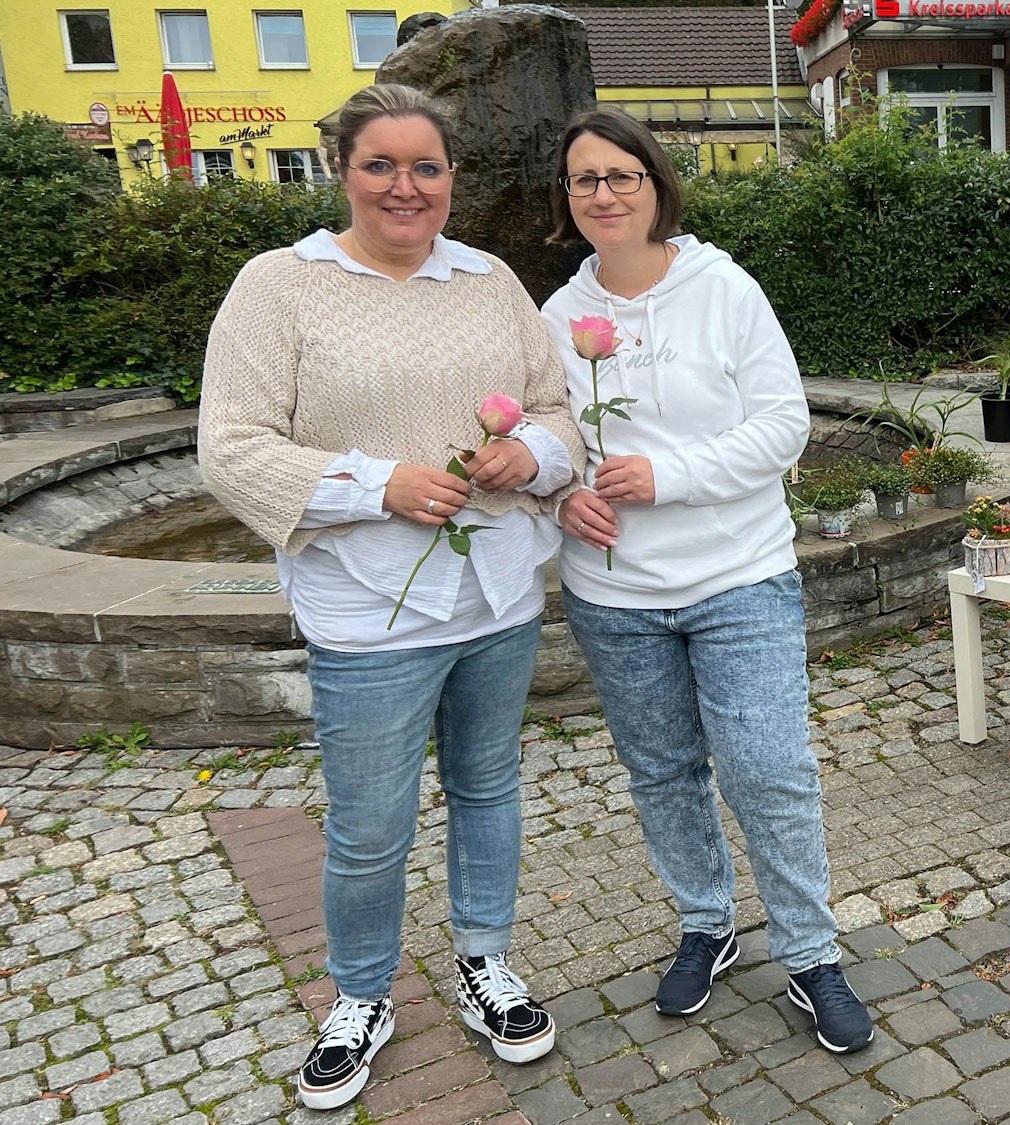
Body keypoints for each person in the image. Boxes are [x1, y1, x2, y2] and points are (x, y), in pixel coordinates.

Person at [198, 83, 584, 1110]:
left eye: (426, 167)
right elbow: (231, 449)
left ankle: (484, 963)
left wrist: (527, 453)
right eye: (382, 165)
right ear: (342, 170)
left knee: (489, 791)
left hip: (494, 600)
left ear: (452, 179)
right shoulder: (279, 287)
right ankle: (361, 996)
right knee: (370, 826)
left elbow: (556, 410)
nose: (404, 187)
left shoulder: (491, 281)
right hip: (367, 618)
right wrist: (382, 485)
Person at [538, 111, 875, 1053]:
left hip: (737, 576)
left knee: (769, 770)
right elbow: (537, 442)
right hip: (614, 593)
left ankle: (810, 952)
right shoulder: (554, 321)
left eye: (620, 175)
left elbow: (782, 424)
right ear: (567, 202)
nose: (603, 194)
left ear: (654, 184)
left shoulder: (724, 291)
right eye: (583, 181)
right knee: (663, 772)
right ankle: (707, 921)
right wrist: (561, 496)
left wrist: (670, 475)